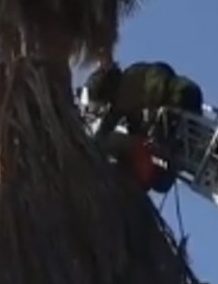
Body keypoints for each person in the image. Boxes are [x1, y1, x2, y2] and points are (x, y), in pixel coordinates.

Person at [84, 60, 204, 193]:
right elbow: (109, 126)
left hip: (181, 99)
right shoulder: (122, 103)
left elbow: (160, 75)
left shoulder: (133, 78)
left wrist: (155, 113)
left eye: (105, 101)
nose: (107, 105)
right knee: (162, 175)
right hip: (181, 112)